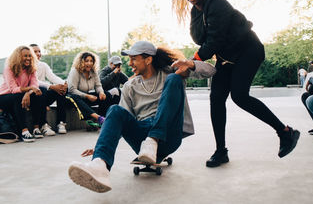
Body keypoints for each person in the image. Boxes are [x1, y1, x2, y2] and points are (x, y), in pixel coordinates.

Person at [171, 0, 300, 167]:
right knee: (216, 98)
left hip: (248, 50)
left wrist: (192, 61)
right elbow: (198, 38)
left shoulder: (216, 2)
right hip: (226, 58)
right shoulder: (197, 10)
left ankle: (285, 132)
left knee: (239, 96)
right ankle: (221, 151)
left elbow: (214, 40)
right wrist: (198, 14)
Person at [68, 41, 216, 193]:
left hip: (168, 135)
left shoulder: (170, 73)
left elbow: (211, 71)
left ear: (148, 59)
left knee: (174, 79)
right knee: (115, 110)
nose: (129, 63)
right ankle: (100, 166)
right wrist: (101, 147)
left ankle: (154, 139)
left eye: (134, 59)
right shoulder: (129, 86)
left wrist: (190, 64)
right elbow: (118, 121)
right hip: (142, 141)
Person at [0, 46, 43, 142]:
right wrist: (29, 89)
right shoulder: (9, 68)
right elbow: (13, 89)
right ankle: (24, 131)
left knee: (38, 94)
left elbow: (35, 85)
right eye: (25, 56)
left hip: (20, 94)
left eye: (30, 56)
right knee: (18, 98)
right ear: (18, 57)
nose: (28, 58)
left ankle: (36, 128)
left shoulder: (31, 69)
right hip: (3, 97)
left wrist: (28, 93)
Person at [30, 44, 68, 134]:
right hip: (33, 96)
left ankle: (61, 123)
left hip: (43, 96)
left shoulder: (43, 65)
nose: (38, 53)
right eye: (35, 51)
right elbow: (35, 82)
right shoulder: (27, 66)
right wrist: (52, 86)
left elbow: (52, 77)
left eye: (39, 51)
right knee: (42, 89)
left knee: (62, 90)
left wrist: (63, 83)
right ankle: (43, 125)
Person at [67, 51, 112, 126]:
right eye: (86, 61)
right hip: (72, 98)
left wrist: (101, 92)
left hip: (85, 97)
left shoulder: (93, 72)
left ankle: (102, 120)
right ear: (81, 62)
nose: (89, 63)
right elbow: (71, 90)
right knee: (75, 97)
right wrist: (87, 96)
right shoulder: (75, 71)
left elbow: (98, 85)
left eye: (91, 61)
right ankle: (98, 118)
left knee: (107, 95)